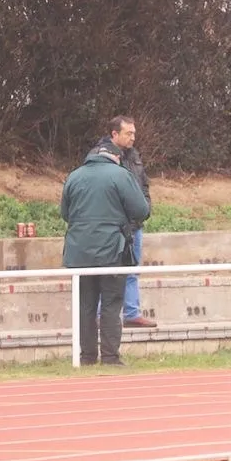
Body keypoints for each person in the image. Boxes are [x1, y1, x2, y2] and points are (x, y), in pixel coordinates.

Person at [61, 141, 150, 366]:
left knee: (85, 306)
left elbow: (65, 213)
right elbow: (141, 210)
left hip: (79, 252)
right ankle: (110, 357)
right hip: (113, 249)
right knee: (111, 303)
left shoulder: (74, 176)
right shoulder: (121, 175)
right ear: (116, 157)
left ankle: (86, 357)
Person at [89, 116, 156, 329]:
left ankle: (132, 313)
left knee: (132, 269)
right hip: (111, 227)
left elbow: (143, 185)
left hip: (134, 226)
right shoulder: (98, 156)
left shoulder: (134, 156)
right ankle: (100, 316)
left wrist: (145, 208)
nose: (133, 137)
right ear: (114, 134)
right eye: (128, 133)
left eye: (134, 133)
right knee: (105, 271)